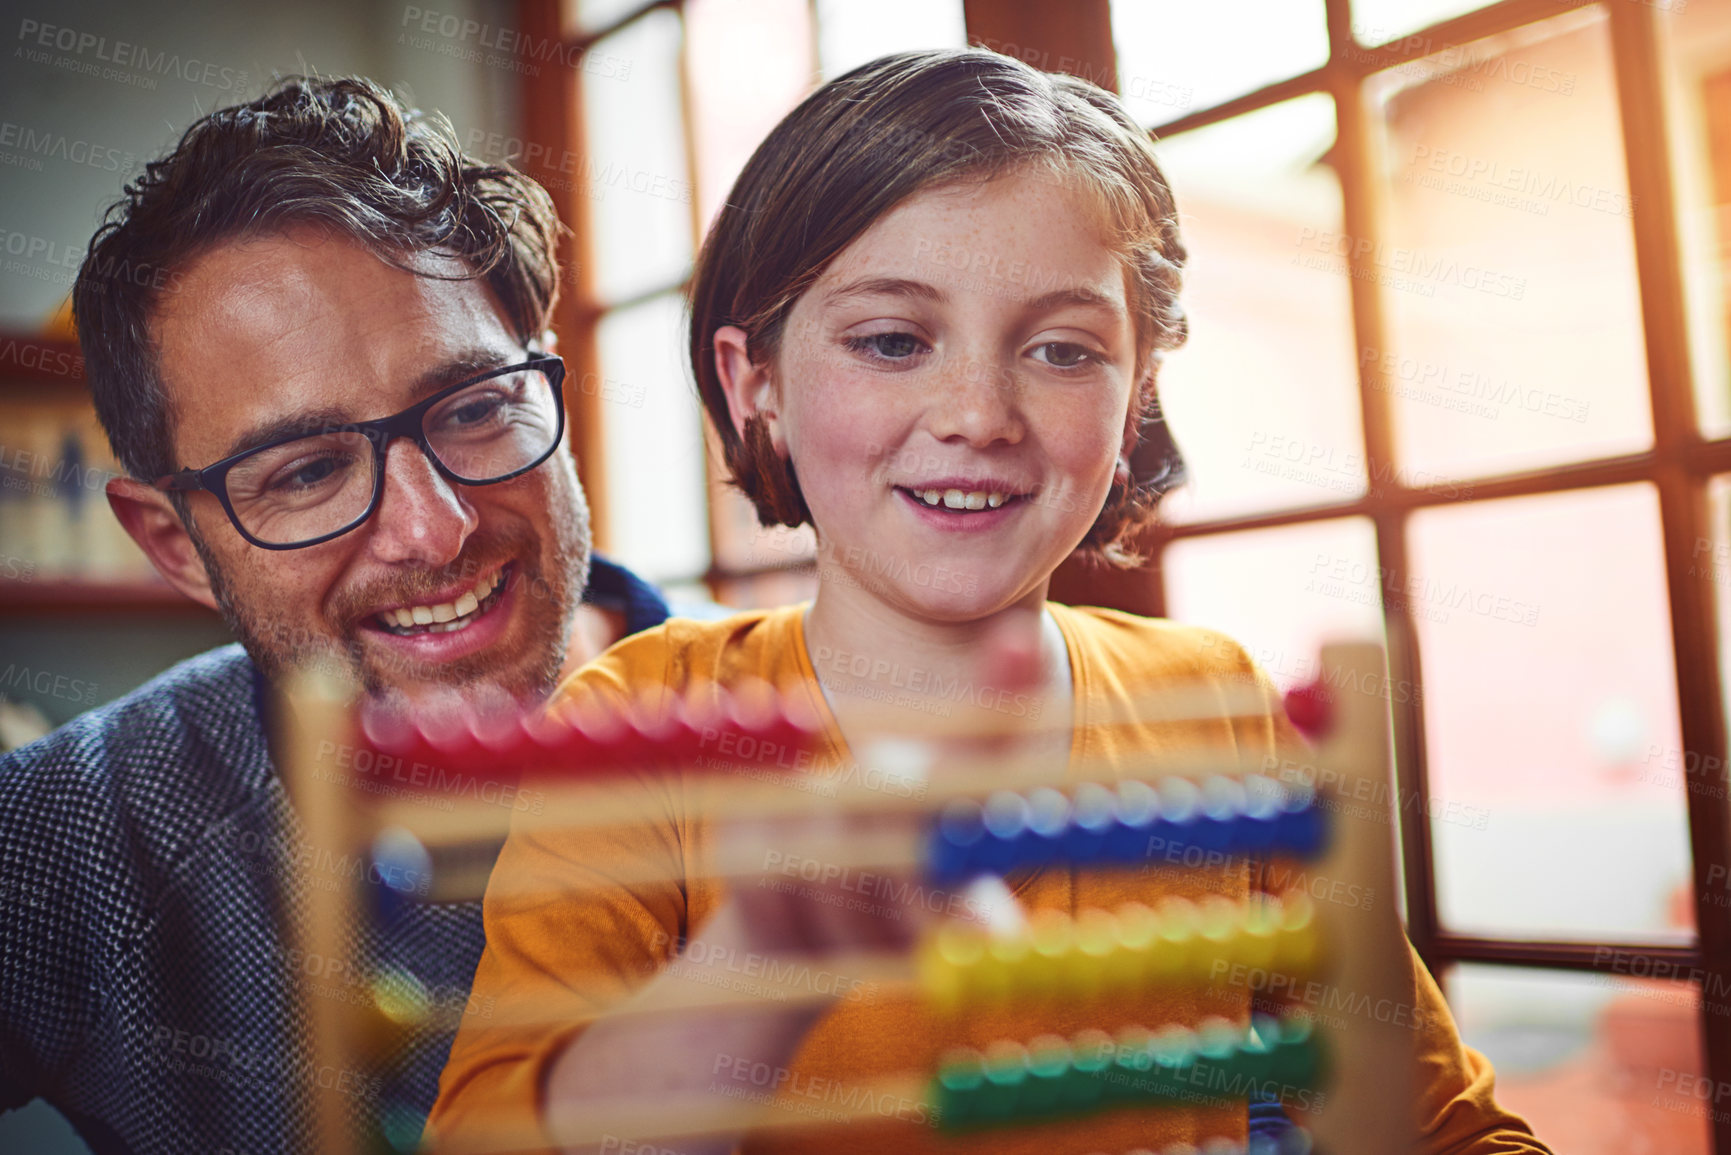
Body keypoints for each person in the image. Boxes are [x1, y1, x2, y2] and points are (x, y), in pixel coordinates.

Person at [429, 49, 1552, 1155]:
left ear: (1137, 395)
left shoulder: (1217, 704)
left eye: (1064, 351)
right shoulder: (632, 727)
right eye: (891, 341)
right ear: (752, 381)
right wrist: (763, 962)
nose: (978, 411)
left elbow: (1445, 1131)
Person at [0, 77, 670, 1154]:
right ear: (175, 544)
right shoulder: (65, 840)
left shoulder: (827, 730)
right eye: (307, 471)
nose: (433, 529)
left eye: (474, 408)